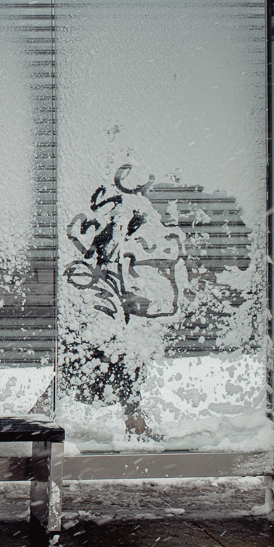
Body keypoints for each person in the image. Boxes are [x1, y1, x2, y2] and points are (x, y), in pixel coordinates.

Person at [60, 164, 188, 437]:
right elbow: (87, 248)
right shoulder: (108, 220)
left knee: (115, 358)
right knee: (86, 357)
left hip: (115, 301)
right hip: (101, 301)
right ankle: (42, 415)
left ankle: (134, 421)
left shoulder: (131, 218)